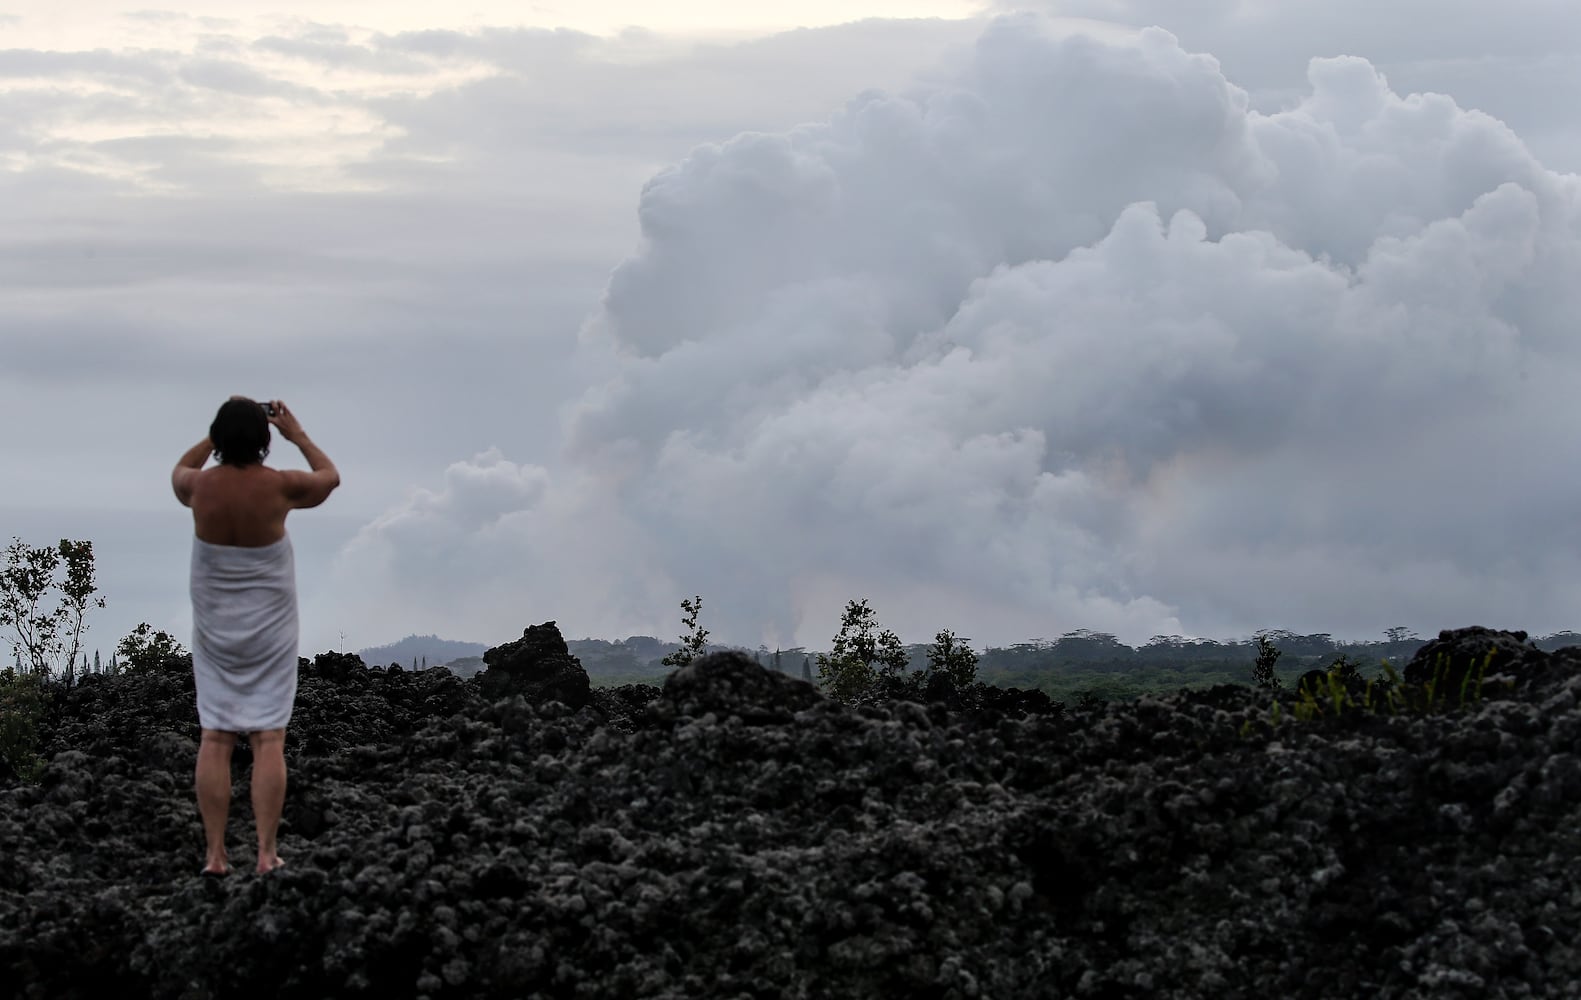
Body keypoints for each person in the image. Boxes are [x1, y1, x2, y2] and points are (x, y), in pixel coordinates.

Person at [171, 398, 339, 875]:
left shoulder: (199, 488)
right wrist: (296, 434)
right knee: (268, 737)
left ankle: (215, 855)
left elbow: (181, 467)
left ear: (218, 440)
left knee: (216, 735)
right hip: (271, 630)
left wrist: (215, 436)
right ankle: (266, 853)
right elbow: (330, 477)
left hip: (216, 632)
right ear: (266, 441)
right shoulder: (281, 486)